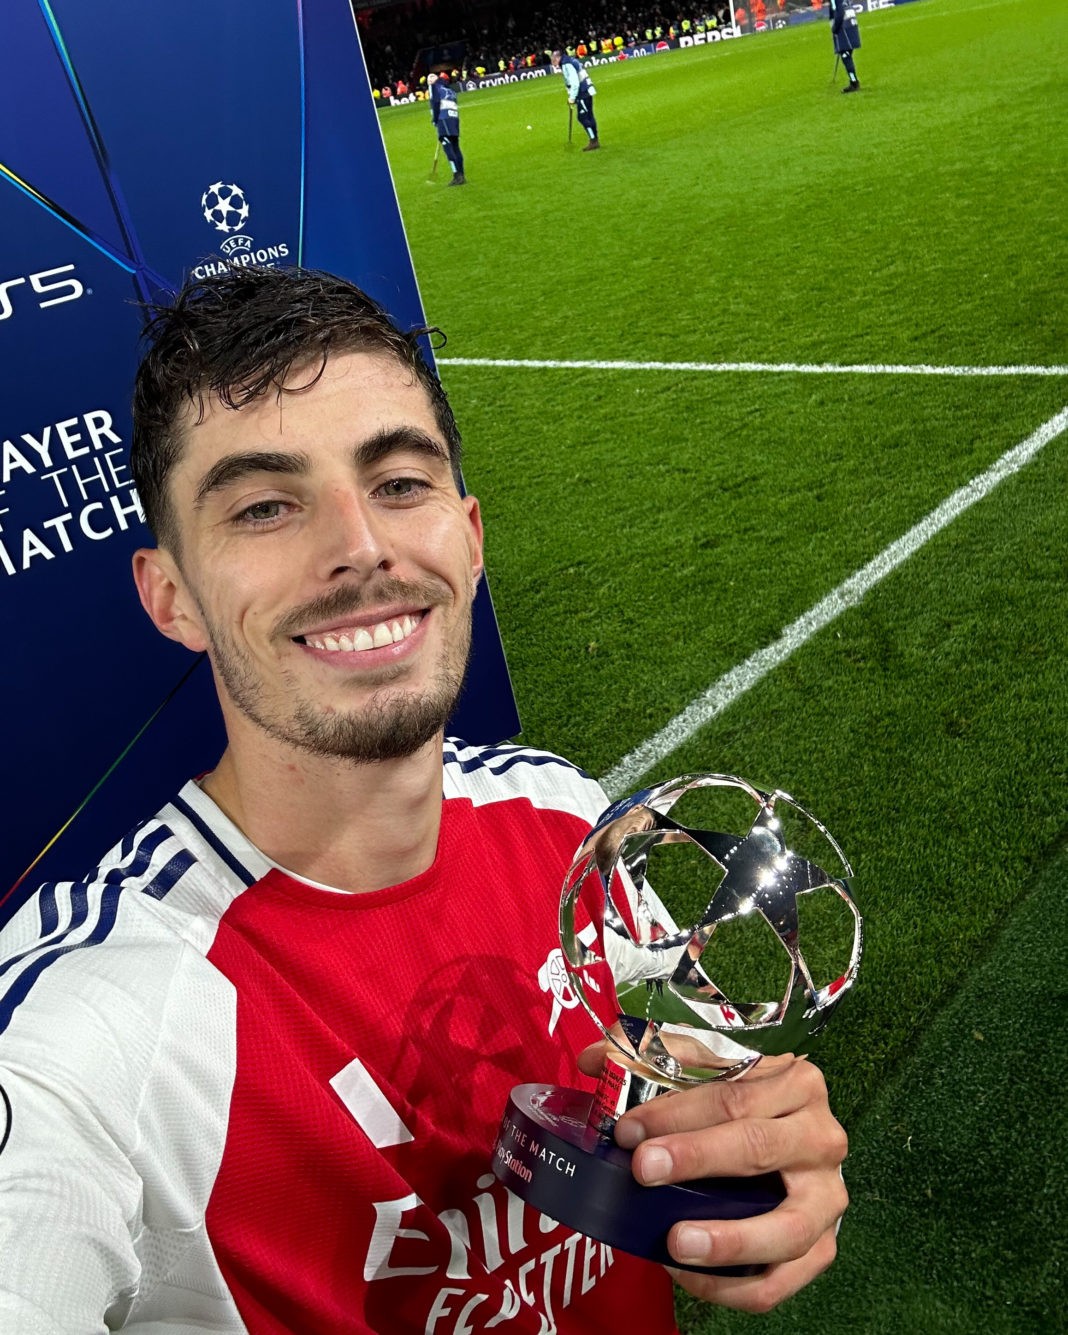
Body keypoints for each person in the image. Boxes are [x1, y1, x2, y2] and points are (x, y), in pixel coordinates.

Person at [0, 266, 848, 1333]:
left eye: (400, 483)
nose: (360, 547)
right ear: (172, 598)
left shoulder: (562, 814)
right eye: (265, 506)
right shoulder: (89, 1023)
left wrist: (754, 1138)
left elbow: (657, 1064)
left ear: (472, 536)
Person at [550, 48, 600, 150]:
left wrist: (572, 98)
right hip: (587, 90)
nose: (553, 62)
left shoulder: (566, 64)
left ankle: (593, 140)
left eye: (553, 60)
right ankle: (594, 139)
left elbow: (574, 82)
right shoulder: (570, 60)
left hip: (582, 92)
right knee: (589, 116)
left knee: (583, 117)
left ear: (557, 57)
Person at [428, 71, 466, 185]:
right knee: (456, 147)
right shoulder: (450, 90)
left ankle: (457, 176)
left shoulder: (434, 88)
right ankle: (462, 174)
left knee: (448, 148)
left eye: (430, 79)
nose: (429, 82)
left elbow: (435, 104)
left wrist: (435, 119)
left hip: (443, 119)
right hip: (454, 119)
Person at [830, 0, 862, 93]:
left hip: (844, 28)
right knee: (847, 55)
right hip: (852, 25)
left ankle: (854, 82)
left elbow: (839, 12)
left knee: (845, 55)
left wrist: (834, 28)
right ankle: (853, 81)